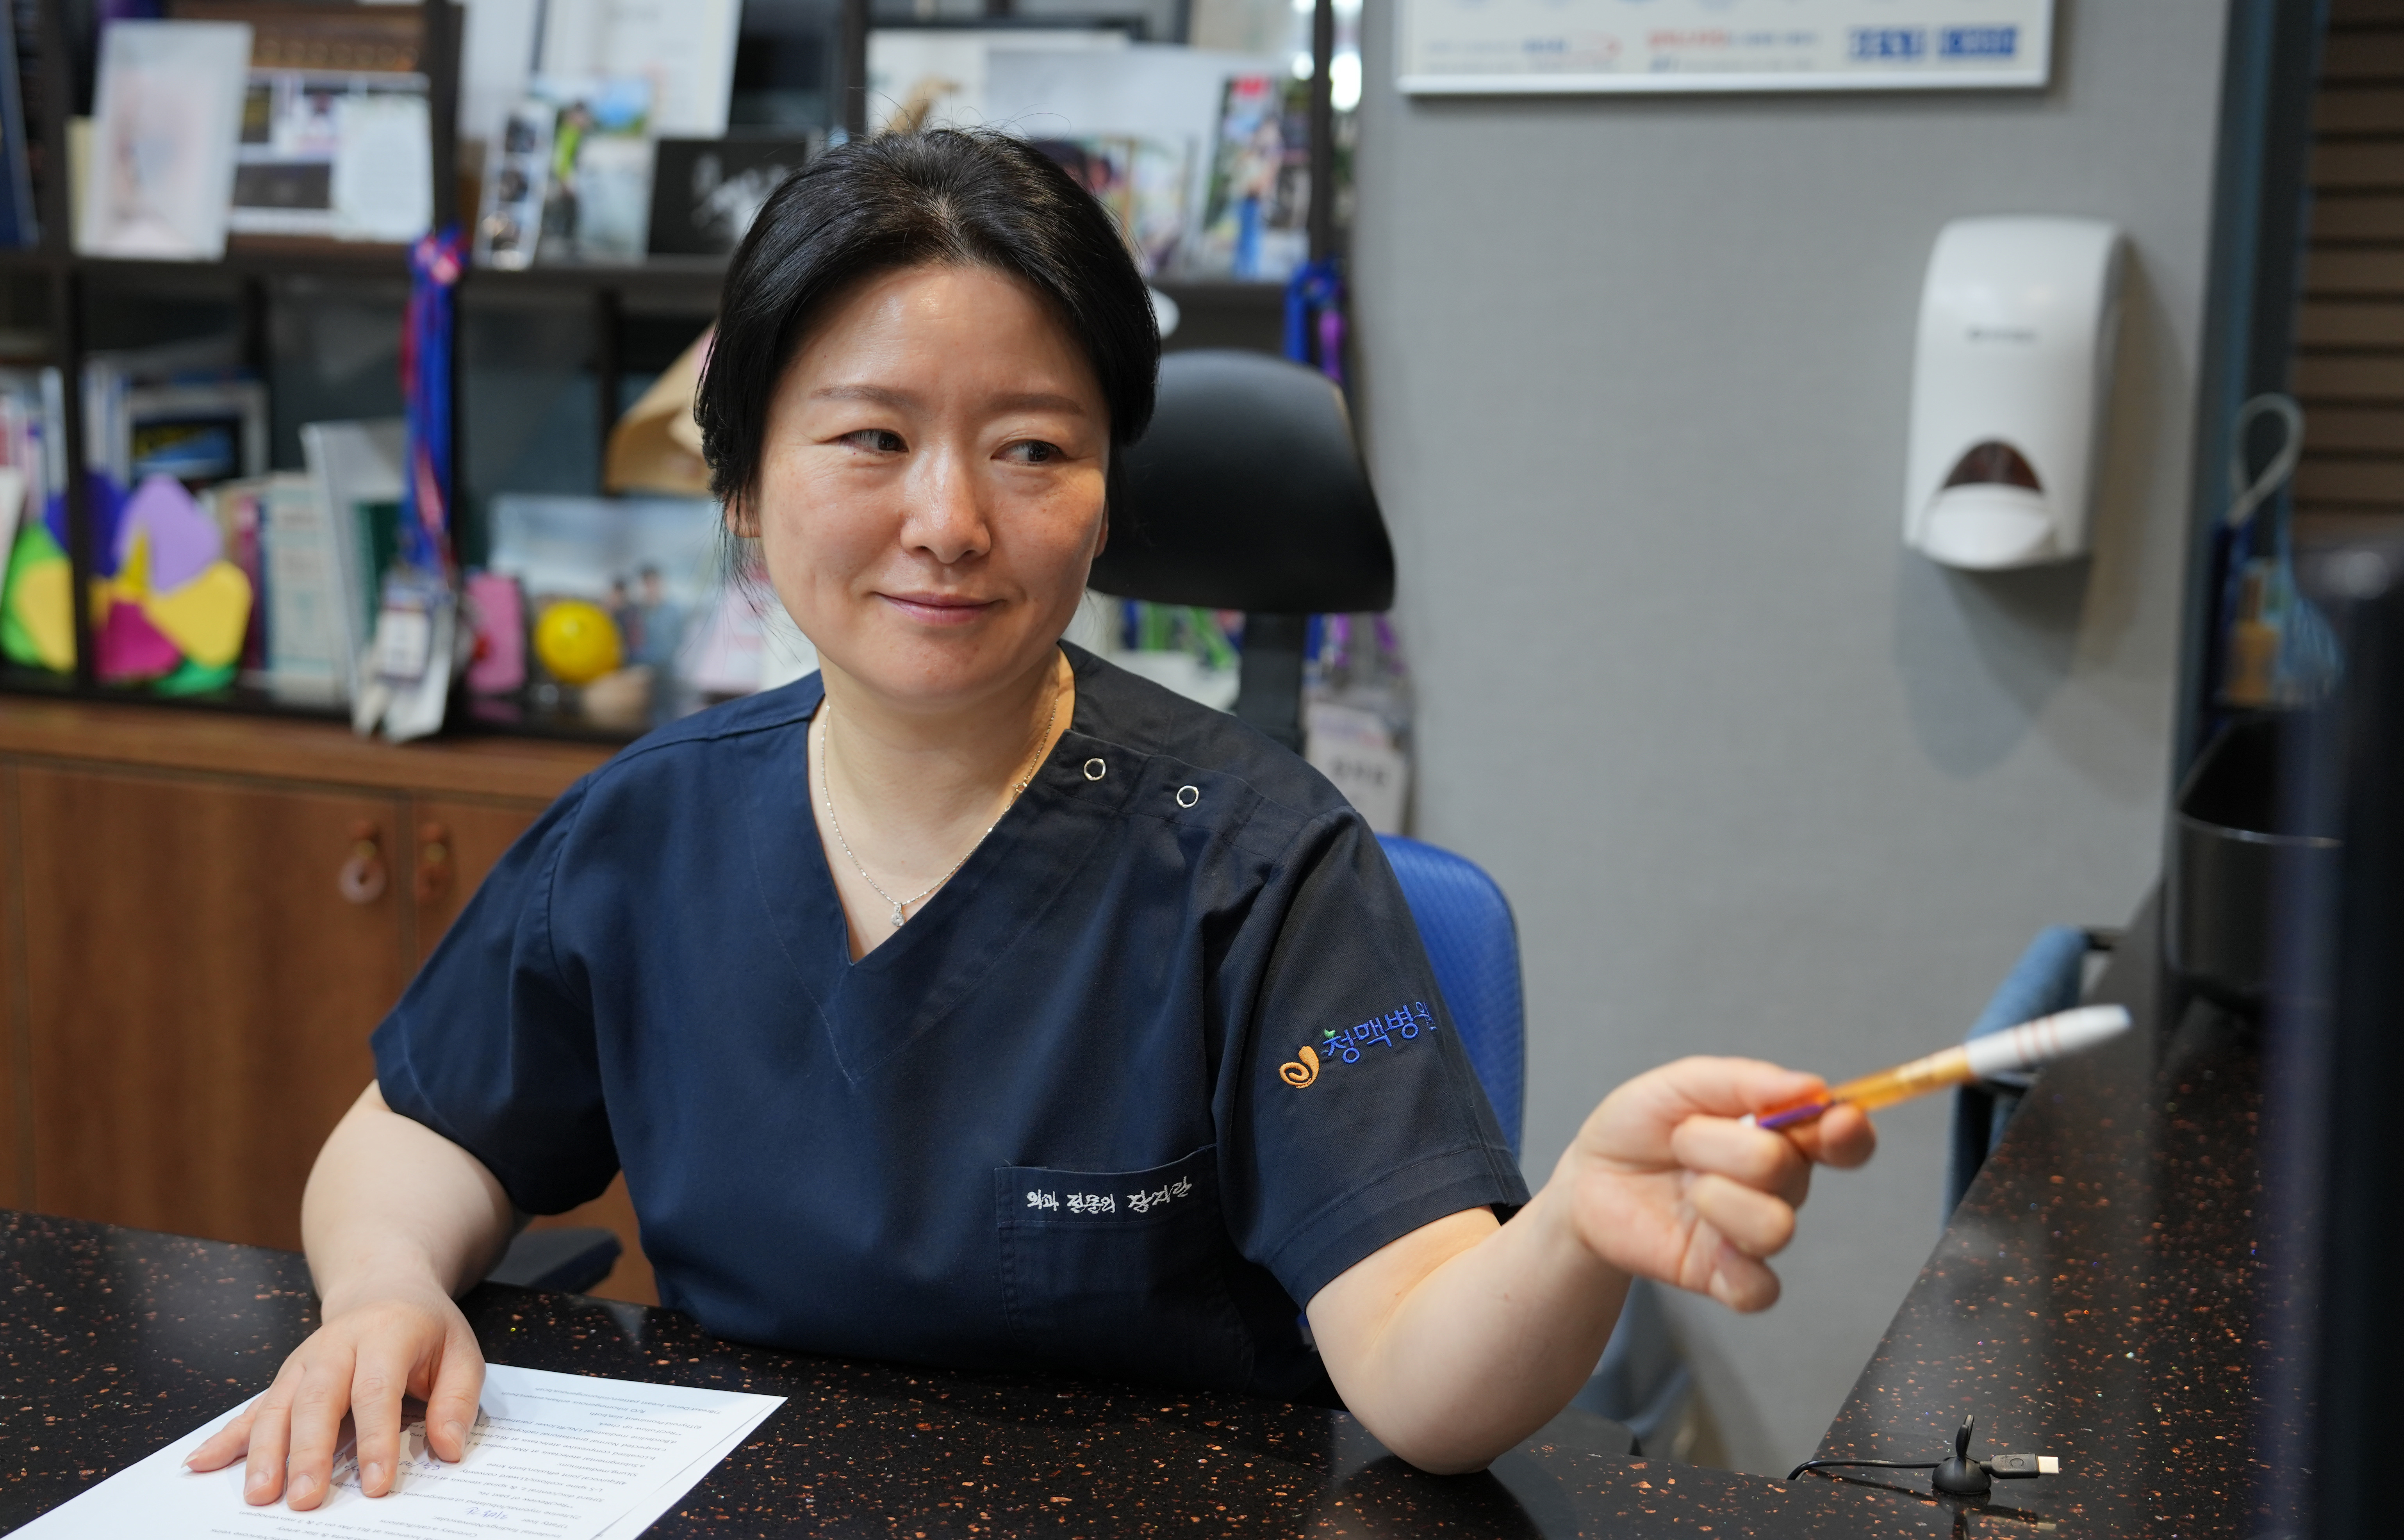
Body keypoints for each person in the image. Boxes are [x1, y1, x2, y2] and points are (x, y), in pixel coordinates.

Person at [188, 130, 1874, 1511]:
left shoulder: (1259, 865)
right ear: (744, 488)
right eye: (872, 437)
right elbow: (416, 1137)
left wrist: (1572, 1226)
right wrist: (386, 1289)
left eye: (1031, 449)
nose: (949, 519)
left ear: (1106, 494)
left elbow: (1426, 1376)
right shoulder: (643, 833)